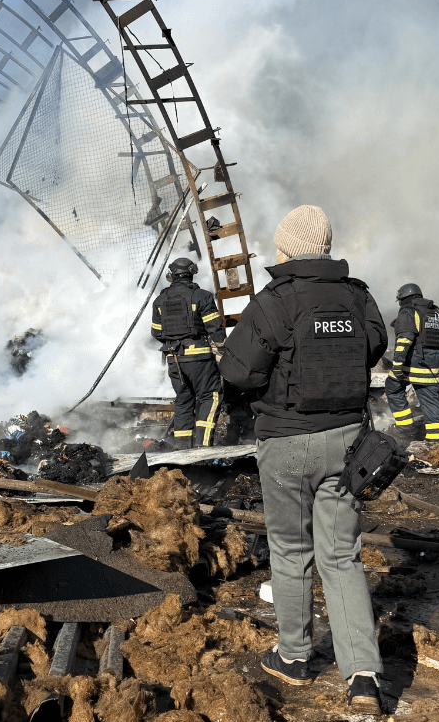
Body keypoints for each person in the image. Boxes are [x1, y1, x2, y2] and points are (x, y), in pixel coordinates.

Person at [219, 205, 387, 714]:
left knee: (292, 553)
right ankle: (363, 677)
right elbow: (373, 347)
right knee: (341, 556)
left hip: (288, 444)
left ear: (287, 249)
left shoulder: (275, 301)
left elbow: (238, 371)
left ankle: (293, 657)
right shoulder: (358, 296)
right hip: (349, 444)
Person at [151, 258, 226, 447]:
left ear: (171, 275)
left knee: (183, 400)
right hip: (200, 358)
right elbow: (215, 327)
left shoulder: (160, 300)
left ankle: (182, 449)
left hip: (174, 359)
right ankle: (203, 446)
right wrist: (223, 351)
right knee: (210, 397)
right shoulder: (202, 296)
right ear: (192, 272)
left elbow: (156, 332)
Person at [385, 283, 439, 443]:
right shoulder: (434, 313)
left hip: (412, 366)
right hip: (432, 367)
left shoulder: (408, 311)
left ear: (403, 298)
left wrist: (397, 364)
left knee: (392, 387)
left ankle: (405, 430)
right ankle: (435, 440)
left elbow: (405, 340)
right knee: (431, 401)